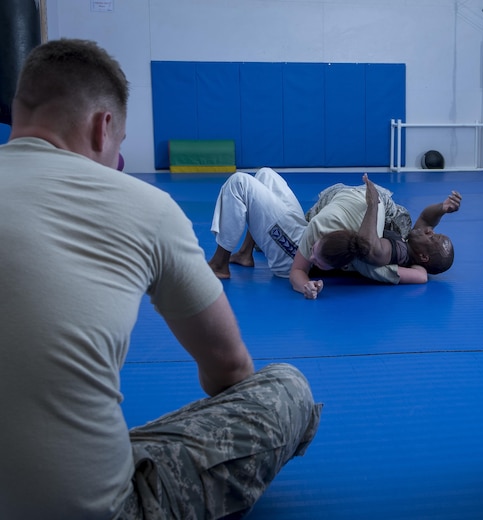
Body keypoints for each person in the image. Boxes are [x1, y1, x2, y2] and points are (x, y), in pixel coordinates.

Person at [0, 38, 321, 519]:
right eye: (121, 145)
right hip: (98, 509)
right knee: (287, 387)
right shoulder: (143, 207)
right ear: (102, 126)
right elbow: (229, 373)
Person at [208, 168, 461, 299]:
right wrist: (443, 208)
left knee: (240, 183)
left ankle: (220, 264)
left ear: (424, 257)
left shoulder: (381, 257)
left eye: (433, 237)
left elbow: (376, 250)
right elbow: (427, 220)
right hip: (314, 230)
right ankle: (244, 253)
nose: (430, 231)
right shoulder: (409, 237)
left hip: (295, 252)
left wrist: (373, 203)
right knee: (264, 174)